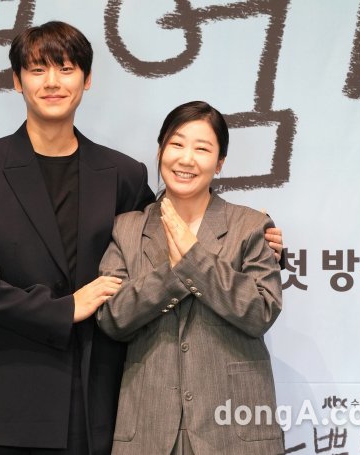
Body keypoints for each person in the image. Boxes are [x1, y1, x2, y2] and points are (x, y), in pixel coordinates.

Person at [0, 21, 284, 455]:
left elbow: (167, 231)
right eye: (37, 70)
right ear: (16, 80)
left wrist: (260, 237)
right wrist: (64, 308)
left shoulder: (121, 173)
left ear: (86, 79)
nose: (52, 82)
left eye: (66, 69)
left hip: (96, 400)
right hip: (5, 397)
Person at [97, 101, 285, 454]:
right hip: (149, 429)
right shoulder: (127, 228)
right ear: (160, 151)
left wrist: (194, 259)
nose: (186, 159)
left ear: (219, 162)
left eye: (202, 149)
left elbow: (261, 311)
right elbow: (112, 318)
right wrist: (174, 270)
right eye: (177, 144)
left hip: (234, 430)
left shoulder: (250, 226)